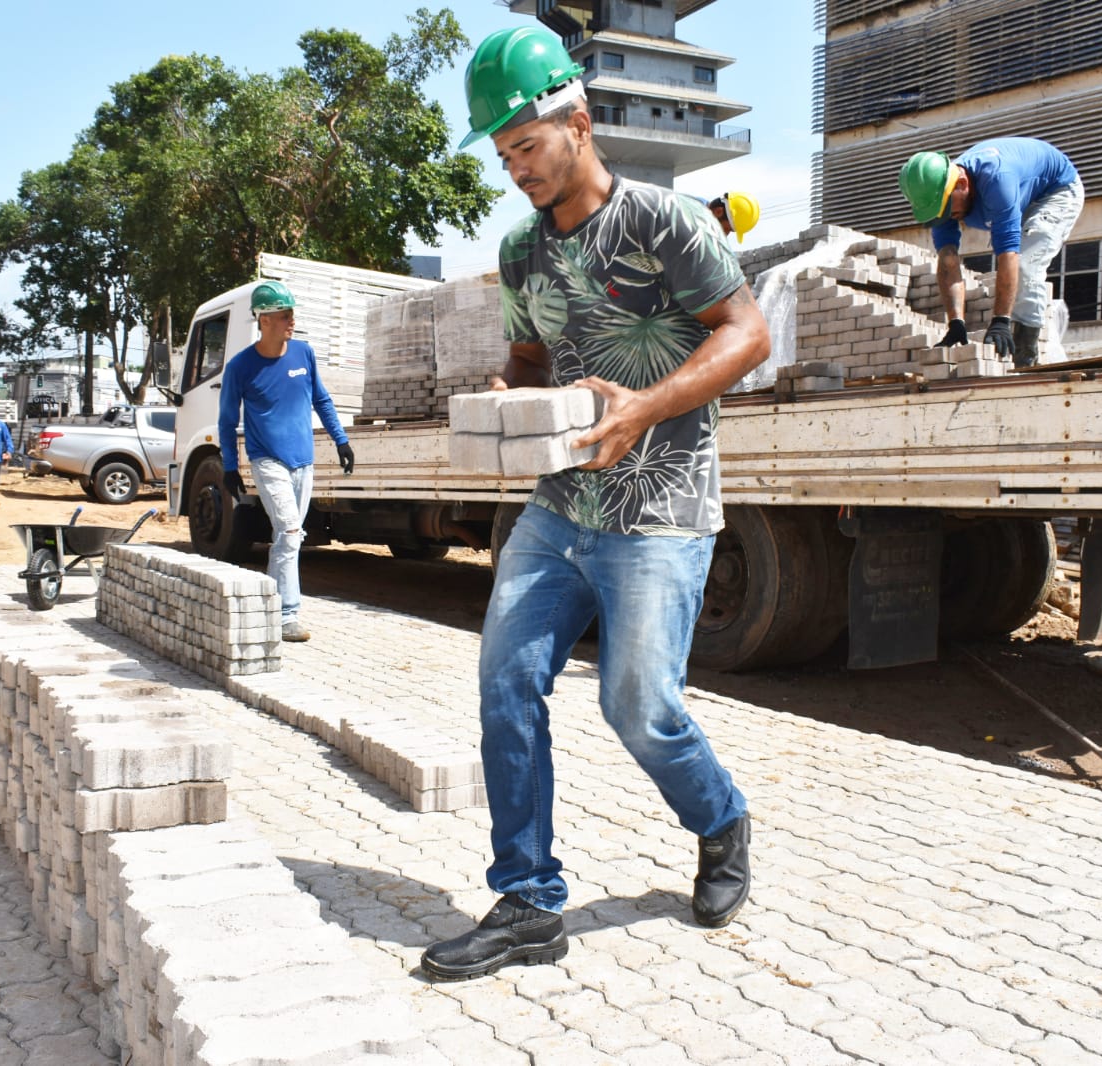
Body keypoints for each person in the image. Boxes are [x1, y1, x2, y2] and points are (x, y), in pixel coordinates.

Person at [421, 25, 769, 982]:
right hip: (559, 507)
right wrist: (506, 390)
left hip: (661, 510)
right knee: (505, 683)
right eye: (503, 156)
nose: (517, 169)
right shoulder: (523, 250)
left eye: (527, 146)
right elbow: (533, 354)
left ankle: (721, 818)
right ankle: (529, 900)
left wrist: (646, 408)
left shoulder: (667, 222)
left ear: (578, 122)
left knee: (638, 706)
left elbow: (747, 333)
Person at [217, 281, 354, 644]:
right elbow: (227, 421)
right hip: (268, 461)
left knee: (289, 538)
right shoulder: (240, 368)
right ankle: (286, 613)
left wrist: (341, 440)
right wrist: (229, 465)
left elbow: (321, 400)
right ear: (264, 320)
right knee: (291, 533)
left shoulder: (303, 354)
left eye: (292, 314)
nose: (292, 321)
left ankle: (278, 607)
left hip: (303, 462)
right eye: (284, 315)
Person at [898, 137, 1083, 368]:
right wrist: (956, 323)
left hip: (1055, 191)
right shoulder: (941, 196)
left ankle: (1026, 355)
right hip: (1019, 195)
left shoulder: (997, 181)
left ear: (962, 184)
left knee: (1026, 265)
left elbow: (1009, 255)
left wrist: (1000, 321)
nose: (945, 216)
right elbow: (948, 261)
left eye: (947, 210)